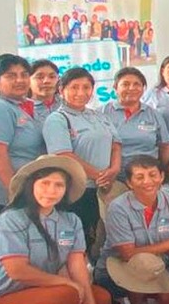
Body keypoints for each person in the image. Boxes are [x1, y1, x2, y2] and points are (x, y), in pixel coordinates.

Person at [0, 155, 111, 304]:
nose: (51, 190)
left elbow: (76, 265)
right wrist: (63, 282)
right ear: (31, 185)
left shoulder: (71, 221)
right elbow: (17, 270)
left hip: (43, 288)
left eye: (59, 185)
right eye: (45, 183)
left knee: (101, 297)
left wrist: (89, 300)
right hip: (2, 295)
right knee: (67, 293)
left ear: (66, 189)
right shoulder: (11, 218)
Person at [93, 155, 169, 304]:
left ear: (162, 177)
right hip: (121, 268)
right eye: (139, 177)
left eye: (153, 175)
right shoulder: (118, 208)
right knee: (140, 272)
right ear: (129, 183)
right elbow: (128, 254)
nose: (147, 181)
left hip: (156, 266)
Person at [43, 67, 122, 255]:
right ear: (61, 90)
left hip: (103, 189)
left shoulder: (98, 115)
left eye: (86, 87)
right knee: (79, 241)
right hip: (76, 190)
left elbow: (116, 144)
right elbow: (63, 155)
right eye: (74, 87)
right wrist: (99, 176)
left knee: (100, 237)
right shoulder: (57, 119)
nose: (81, 93)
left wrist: (114, 170)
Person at [0, 54, 47, 219]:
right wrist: (16, 194)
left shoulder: (28, 105)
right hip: (7, 198)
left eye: (24, 75)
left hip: (32, 192)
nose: (20, 80)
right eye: (11, 76)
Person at [99, 67, 169, 181]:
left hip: (147, 178)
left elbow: (165, 146)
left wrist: (163, 173)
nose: (131, 88)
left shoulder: (154, 114)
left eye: (137, 84)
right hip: (113, 179)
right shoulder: (101, 113)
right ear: (115, 88)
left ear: (143, 89)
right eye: (126, 84)